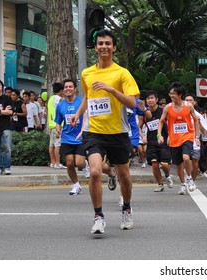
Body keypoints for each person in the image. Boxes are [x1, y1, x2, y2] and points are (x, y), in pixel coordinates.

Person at [71, 29, 139, 234]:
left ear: (114, 47)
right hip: (94, 131)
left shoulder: (122, 73)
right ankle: (98, 216)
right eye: (100, 43)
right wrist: (78, 113)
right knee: (94, 172)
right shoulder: (87, 73)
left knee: (124, 175)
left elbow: (132, 102)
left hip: (118, 131)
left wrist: (111, 90)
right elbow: (88, 97)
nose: (104, 47)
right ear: (96, 47)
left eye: (108, 43)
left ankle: (126, 208)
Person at [157, 82, 201, 195]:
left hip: (187, 136)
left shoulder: (188, 106)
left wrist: (196, 136)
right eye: (170, 93)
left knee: (186, 157)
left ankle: (190, 179)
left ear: (179, 94)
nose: (171, 96)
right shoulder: (167, 107)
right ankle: (182, 185)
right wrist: (159, 135)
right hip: (174, 139)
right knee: (179, 164)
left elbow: (196, 120)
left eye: (173, 93)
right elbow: (161, 121)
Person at [54, 79, 90, 195]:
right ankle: (76, 185)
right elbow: (58, 121)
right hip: (66, 137)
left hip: (80, 137)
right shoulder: (60, 106)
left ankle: (85, 165)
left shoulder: (81, 102)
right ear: (63, 90)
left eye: (70, 87)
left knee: (79, 163)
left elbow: (87, 116)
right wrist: (58, 129)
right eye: (65, 87)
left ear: (75, 89)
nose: (68, 89)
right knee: (69, 163)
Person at [138, 90, 173, 192]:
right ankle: (160, 184)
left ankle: (167, 175)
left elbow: (171, 123)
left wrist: (170, 136)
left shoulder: (163, 111)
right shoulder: (144, 114)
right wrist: (143, 136)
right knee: (154, 164)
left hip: (163, 140)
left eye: (152, 98)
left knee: (165, 164)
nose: (150, 100)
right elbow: (139, 127)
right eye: (148, 98)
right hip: (151, 142)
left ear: (157, 100)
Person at [47, 82, 65, 169]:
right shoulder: (58, 98)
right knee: (57, 145)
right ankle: (57, 163)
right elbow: (65, 101)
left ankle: (52, 162)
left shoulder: (50, 99)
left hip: (51, 125)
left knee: (51, 144)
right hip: (57, 125)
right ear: (61, 90)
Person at [0, 80, 13, 175]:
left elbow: (10, 112)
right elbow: (6, 112)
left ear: (2, 87)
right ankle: (0, 167)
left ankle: (7, 167)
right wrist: (4, 111)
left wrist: (0, 112)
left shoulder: (7, 99)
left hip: (6, 126)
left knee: (8, 147)